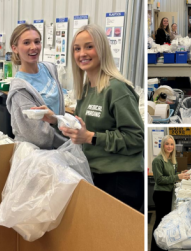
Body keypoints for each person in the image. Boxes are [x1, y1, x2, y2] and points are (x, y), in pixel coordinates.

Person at [35, 24, 144, 211]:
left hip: (121, 181)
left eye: (89, 46)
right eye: (77, 49)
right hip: (96, 176)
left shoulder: (117, 89)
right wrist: (55, 120)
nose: (82, 53)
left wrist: (91, 137)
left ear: (102, 48)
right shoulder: (86, 89)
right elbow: (82, 129)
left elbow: (136, 138)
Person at [6, 24, 66, 149]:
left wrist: (64, 127)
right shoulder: (20, 89)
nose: (33, 47)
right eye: (27, 43)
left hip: (61, 143)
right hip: (38, 154)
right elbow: (39, 137)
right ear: (15, 48)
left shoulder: (49, 68)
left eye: (37, 41)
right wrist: (70, 139)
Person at [150, 135, 190, 251]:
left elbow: (172, 174)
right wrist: (178, 176)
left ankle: (164, 245)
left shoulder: (172, 160)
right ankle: (155, 247)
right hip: (161, 195)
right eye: (167, 144)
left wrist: (181, 173)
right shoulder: (158, 160)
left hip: (169, 194)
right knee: (159, 222)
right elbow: (159, 179)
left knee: (166, 222)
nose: (169, 146)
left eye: (172, 144)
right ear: (163, 145)